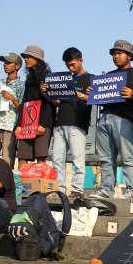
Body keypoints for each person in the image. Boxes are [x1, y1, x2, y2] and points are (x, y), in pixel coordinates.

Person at [89, 40, 133, 200]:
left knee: (127, 156)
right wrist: (91, 92)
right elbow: (96, 98)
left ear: (130, 56)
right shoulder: (107, 77)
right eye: (114, 53)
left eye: (119, 53)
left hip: (125, 119)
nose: (116, 56)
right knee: (105, 158)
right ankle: (106, 190)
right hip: (105, 118)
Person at [41, 47, 93, 199]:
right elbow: (57, 102)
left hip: (78, 123)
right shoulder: (64, 79)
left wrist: (81, 95)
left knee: (78, 159)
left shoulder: (91, 78)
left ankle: (77, 190)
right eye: (67, 65)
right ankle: (59, 189)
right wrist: (47, 93)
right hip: (60, 122)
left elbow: (95, 99)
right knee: (57, 158)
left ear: (80, 60)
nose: (70, 68)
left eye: (73, 64)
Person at [15, 46, 55, 170]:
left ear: (37, 59)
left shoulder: (48, 77)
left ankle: (40, 186)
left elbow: (50, 102)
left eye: (29, 56)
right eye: (25, 57)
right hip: (28, 122)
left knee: (41, 156)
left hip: (43, 123)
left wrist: (43, 124)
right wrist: (19, 124)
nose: (25, 59)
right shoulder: (29, 78)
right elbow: (24, 102)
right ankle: (21, 185)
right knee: (22, 155)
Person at [0, 52, 24, 166]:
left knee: (6, 162)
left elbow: (23, 109)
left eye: (9, 62)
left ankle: (5, 183)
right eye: (4, 62)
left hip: (9, 127)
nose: (5, 64)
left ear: (17, 66)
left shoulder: (22, 86)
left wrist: (13, 99)